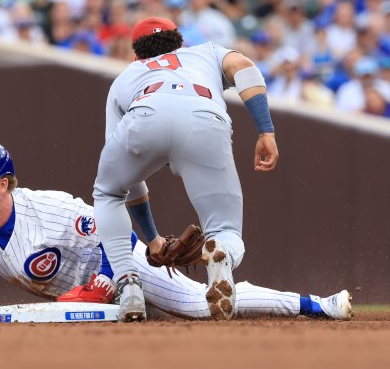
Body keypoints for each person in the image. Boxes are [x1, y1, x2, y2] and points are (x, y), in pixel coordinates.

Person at [0, 141, 353, 322]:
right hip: (85, 297)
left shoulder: (51, 209)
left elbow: (112, 227)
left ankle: (319, 305)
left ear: (6, 183)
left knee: (199, 306)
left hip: (125, 273)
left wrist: (113, 278)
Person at [92, 17, 279, 322]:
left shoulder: (127, 76)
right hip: (204, 117)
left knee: (108, 192)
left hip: (145, 111)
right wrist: (266, 131)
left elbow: (130, 185)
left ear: (136, 54)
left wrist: (153, 240)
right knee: (226, 229)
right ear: (179, 43)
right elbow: (244, 67)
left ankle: (128, 287)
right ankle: (221, 253)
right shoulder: (205, 51)